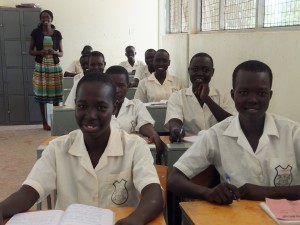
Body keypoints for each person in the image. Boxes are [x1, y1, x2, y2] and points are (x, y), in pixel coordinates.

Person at [0, 73, 163, 225]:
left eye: (101, 107)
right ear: (75, 106)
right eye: (82, 106)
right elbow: (29, 192)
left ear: (114, 108)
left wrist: (134, 219)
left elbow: (154, 194)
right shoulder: (57, 149)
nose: (90, 115)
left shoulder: (134, 147)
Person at [167, 60, 300, 205]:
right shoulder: (217, 135)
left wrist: (265, 193)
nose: (252, 100)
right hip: (237, 218)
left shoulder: (292, 133)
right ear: (233, 94)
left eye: (261, 93)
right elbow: (175, 180)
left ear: (270, 95)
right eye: (243, 92)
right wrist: (209, 192)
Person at [165, 52, 236, 142]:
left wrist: (207, 99)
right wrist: (176, 129)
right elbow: (174, 120)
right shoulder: (177, 97)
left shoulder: (224, 96)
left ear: (212, 72)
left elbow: (232, 123)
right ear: (189, 71)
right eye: (195, 69)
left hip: (219, 146)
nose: (200, 73)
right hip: (188, 147)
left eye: (205, 70)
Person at [106, 65, 163, 164]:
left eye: (121, 85)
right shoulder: (97, 108)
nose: (116, 90)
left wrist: (153, 135)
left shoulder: (135, 105)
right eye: (112, 85)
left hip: (132, 157)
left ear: (128, 86)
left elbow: (145, 125)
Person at [29, 10, 63, 130]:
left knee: (56, 94)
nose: (45, 19)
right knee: (41, 94)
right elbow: (31, 51)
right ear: (40, 19)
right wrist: (40, 52)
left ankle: (57, 121)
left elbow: (61, 53)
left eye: (47, 17)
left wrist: (54, 52)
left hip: (54, 67)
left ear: (51, 19)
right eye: (43, 17)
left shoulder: (57, 34)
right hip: (41, 66)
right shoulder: (35, 33)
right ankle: (44, 122)